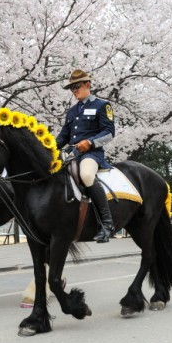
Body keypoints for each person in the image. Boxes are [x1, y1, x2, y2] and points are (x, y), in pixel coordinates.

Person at [56, 69, 116, 243]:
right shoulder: (72, 111)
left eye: (77, 86)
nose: (74, 90)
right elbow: (63, 137)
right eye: (71, 88)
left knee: (87, 175)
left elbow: (109, 133)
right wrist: (49, 147)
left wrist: (90, 142)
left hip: (91, 153)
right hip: (71, 154)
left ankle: (106, 223)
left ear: (88, 84)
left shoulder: (101, 105)